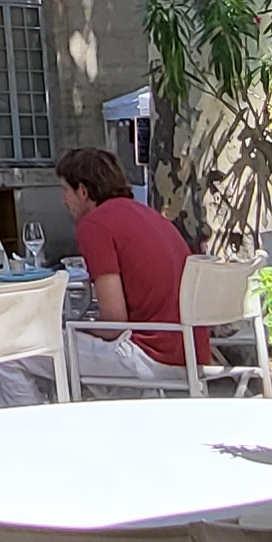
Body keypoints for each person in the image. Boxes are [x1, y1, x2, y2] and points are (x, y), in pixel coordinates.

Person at [56, 147, 197, 389]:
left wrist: (73, 328)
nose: (63, 200)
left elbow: (114, 322)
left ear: (83, 191)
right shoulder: (150, 215)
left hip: (150, 358)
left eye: (65, 191)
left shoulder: (95, 225)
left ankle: (32, 414)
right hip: (192, 355)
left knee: (18, 353)